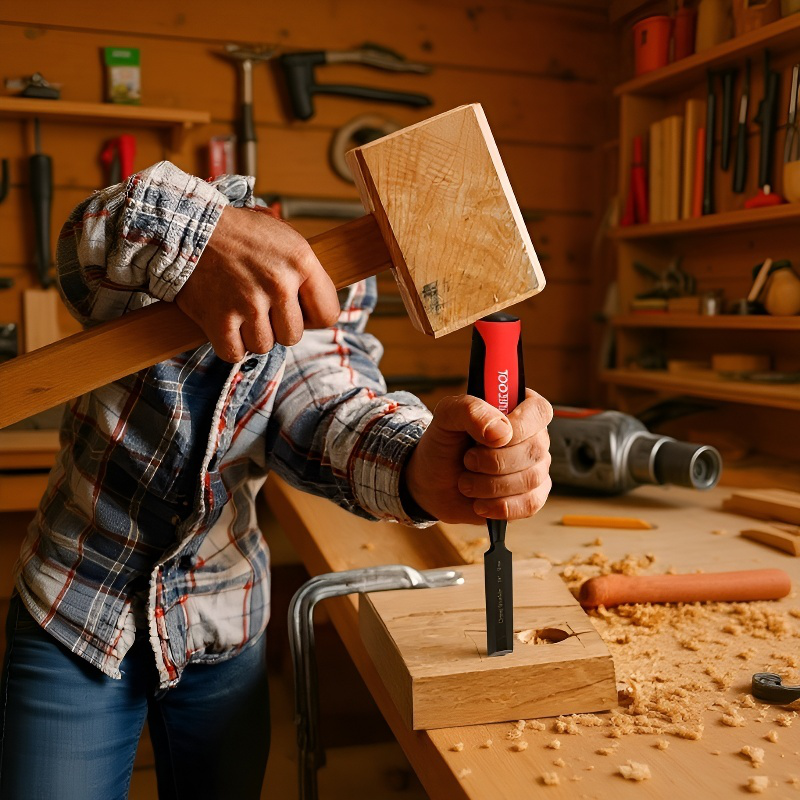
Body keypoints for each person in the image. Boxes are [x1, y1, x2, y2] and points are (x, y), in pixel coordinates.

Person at [0, 163, 552, 800]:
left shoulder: (314, 320)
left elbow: (328, 412)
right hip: (74, 603)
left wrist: (419, 470)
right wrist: (201, 236)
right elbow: (89, 235)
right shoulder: (133, 271)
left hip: (224, 613)